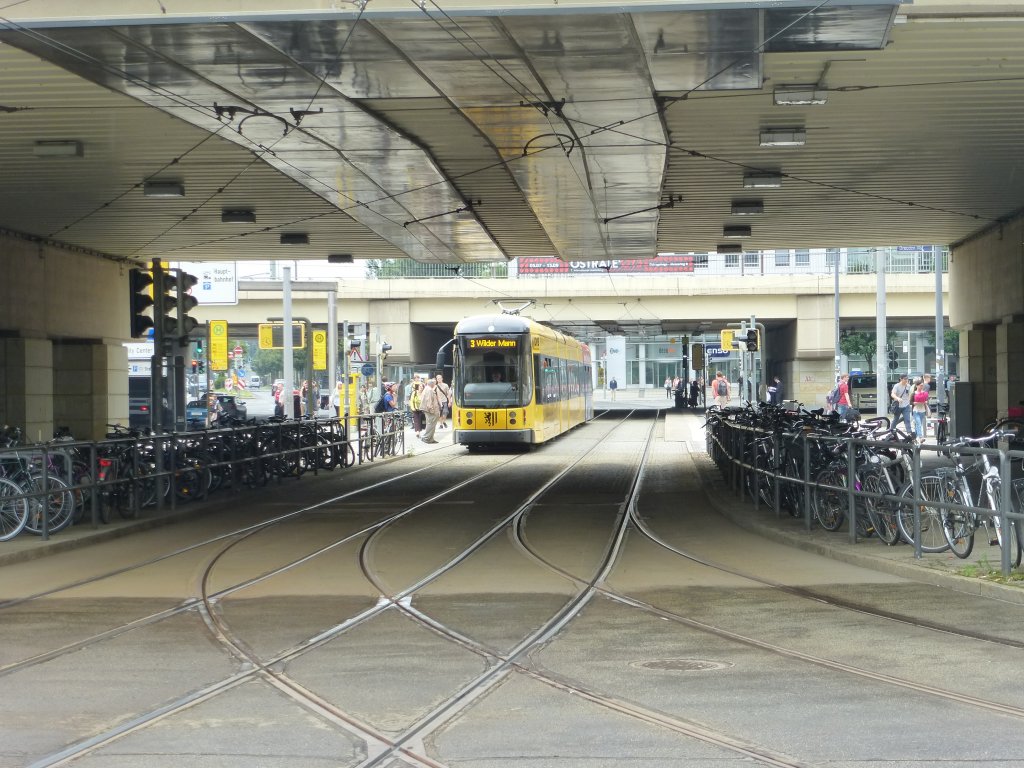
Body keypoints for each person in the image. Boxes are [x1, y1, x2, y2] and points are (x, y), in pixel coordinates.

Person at [419, 377, 441, 443]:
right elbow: (429, 400)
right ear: (432, 384)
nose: (435, 384)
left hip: (428, 410)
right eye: (434, 383)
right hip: (430, 410)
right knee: (431, 424)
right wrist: (431, 409)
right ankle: (426, 438)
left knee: (431, 424)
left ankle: (430, 438)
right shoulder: (429, 390)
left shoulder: (427, 389)